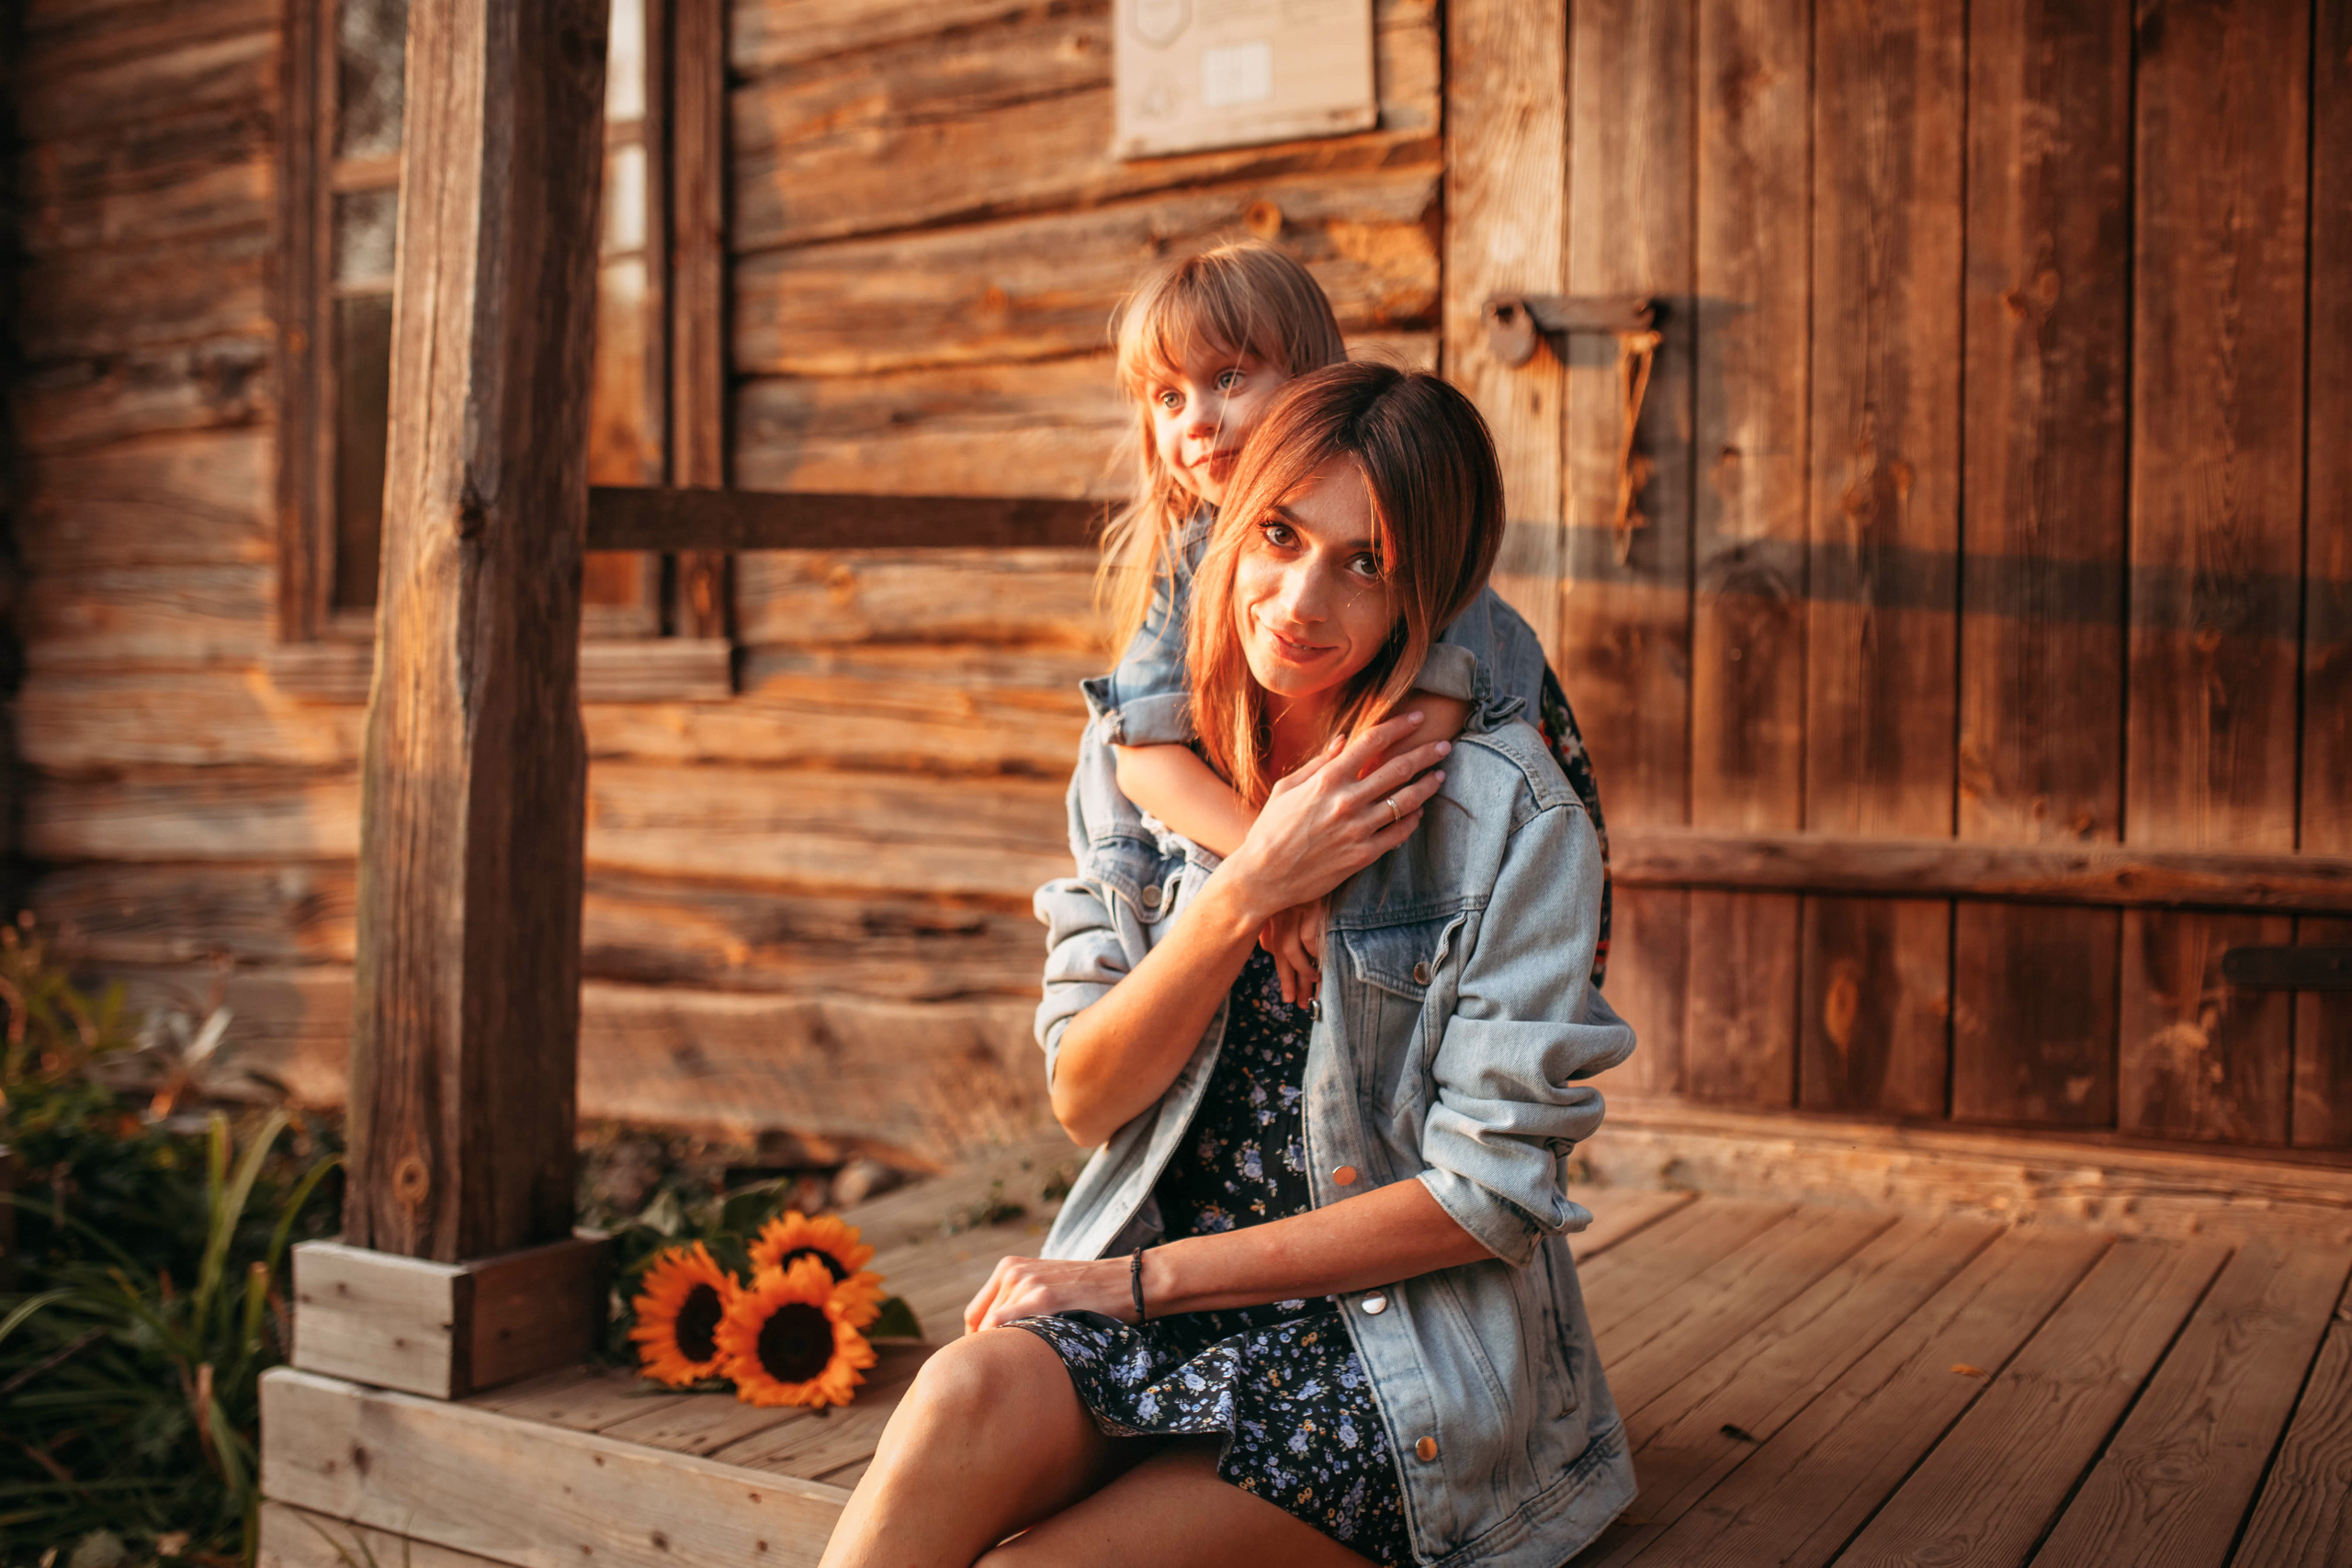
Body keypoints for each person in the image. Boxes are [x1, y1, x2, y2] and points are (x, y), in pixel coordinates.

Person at [817, 364, 1636, 1568]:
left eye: (1369, 562)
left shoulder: (1506, 807)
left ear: (1438, 589)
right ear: (1230, 517)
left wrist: (1132, 1283)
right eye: (1280, 533)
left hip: (1388, 1351)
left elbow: (1489, 1193)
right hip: (1159, 1294)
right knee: (956, 1394)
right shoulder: (1140, 766)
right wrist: (1252, 884)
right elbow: (1087, 1093)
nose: (1301, 598)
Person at [1092, 239, 1612, 1001]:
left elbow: (1433, 715)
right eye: (1168, 397)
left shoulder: (1403, 509)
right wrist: (1274, 868)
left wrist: (1311, 862)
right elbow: (1139, 753)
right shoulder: (1190, 557)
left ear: (1313, 383)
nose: (1197, 420)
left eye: (1228, 378)